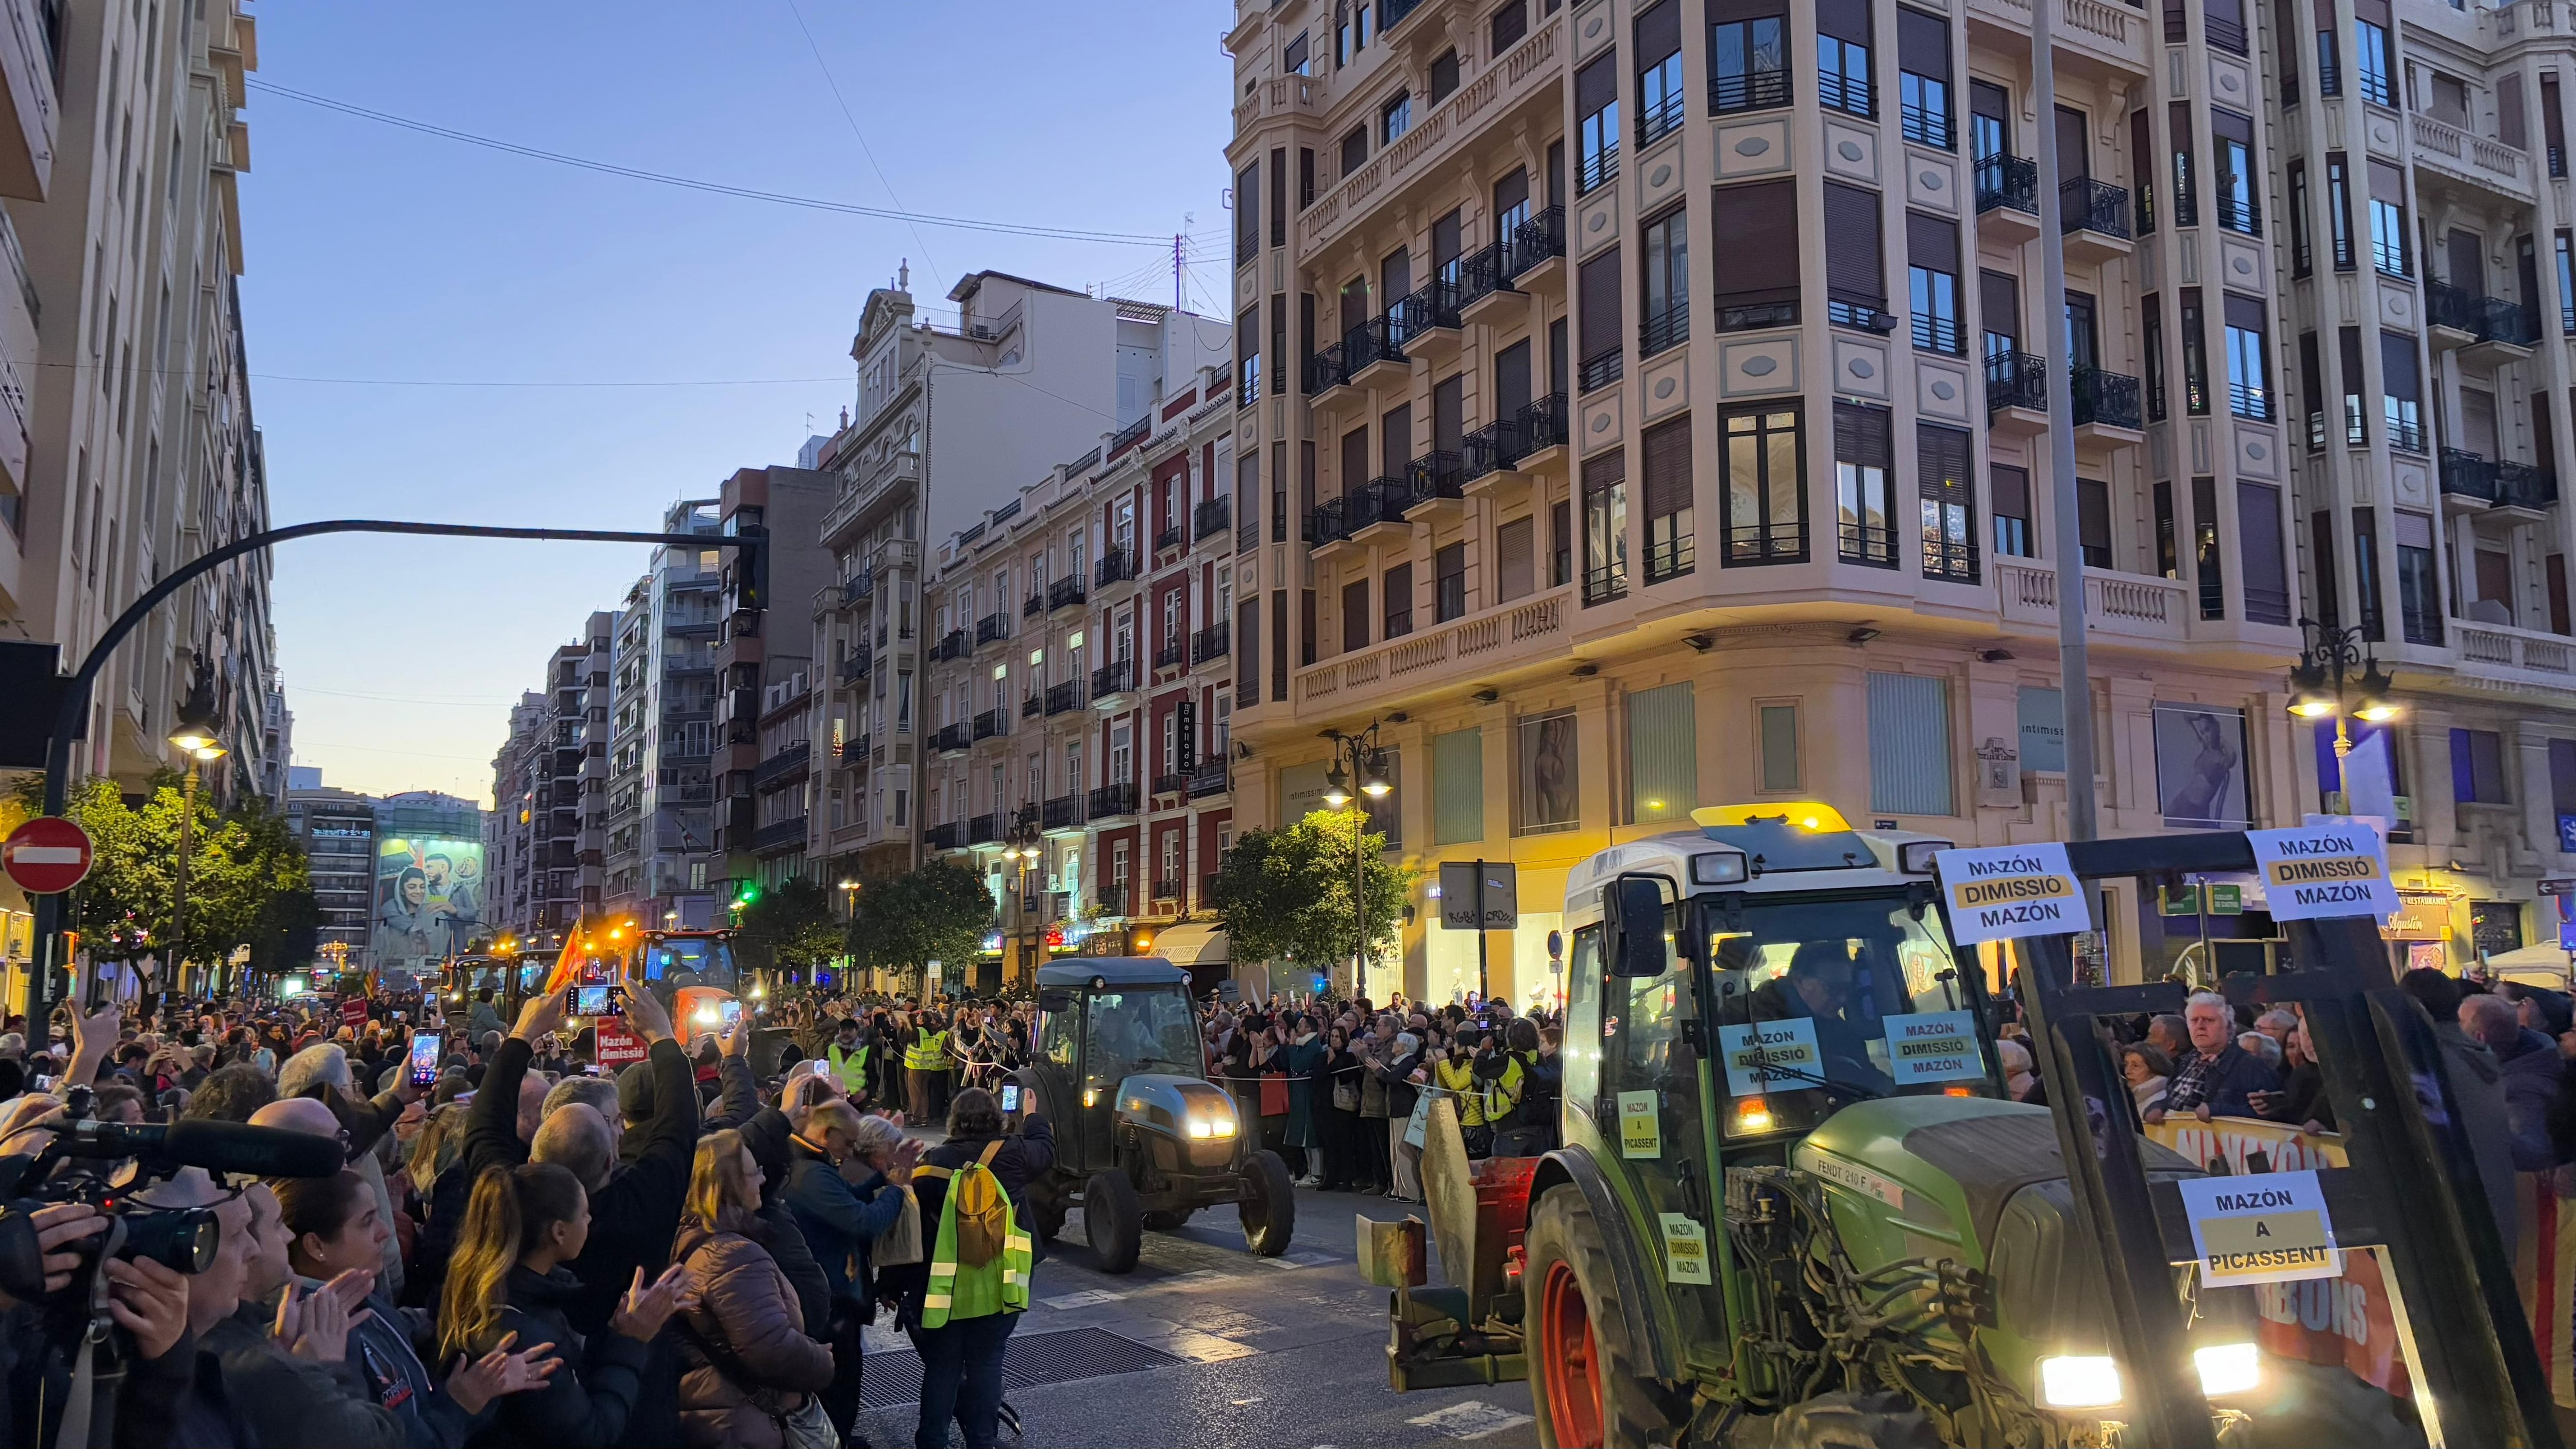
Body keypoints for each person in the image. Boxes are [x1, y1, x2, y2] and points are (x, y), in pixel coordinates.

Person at [273, 1167, 557, 1447]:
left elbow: (401, 1327)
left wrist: (466, 1318)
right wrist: (461, 1403)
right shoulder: (318, 1338)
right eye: (367, 1221)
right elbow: (381, 1440)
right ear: (316, 1245)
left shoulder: (348, 1299)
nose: (384, 1232)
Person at [436, 1162, 691, 1449]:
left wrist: (621, 1328)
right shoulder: (526, 1340)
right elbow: (593, 1435)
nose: (591, 1219)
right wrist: (632, 1340)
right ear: (559, 1232)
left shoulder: (490, 1291)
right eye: (584, 1213)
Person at [905, 1088, 1054, 1449]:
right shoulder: (1015, 1155)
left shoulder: (931, 1165)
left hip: (946, 1288)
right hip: (999, 1286)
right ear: (996, 1119)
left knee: (943, 1366)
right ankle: (983, 1441)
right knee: (988, 1362)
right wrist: (1033, 1114)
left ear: (954, 1121)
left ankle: (931, 1439)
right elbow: (1045, 1151)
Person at [672, 1129, 837, 1449]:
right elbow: (770, 1349)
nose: (763, 1179)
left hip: (720, 1413)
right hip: (747, 1422)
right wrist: (821, 1360)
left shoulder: (688, 1237)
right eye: (754, 1172)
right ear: (728, 1185)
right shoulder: (733, 1255)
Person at [783, 1101, 920, 1443]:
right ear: (828, 1134)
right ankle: (837, 1439)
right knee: (839, 1384)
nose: (849, 1152)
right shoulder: (812, 1174)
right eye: (847, 1143)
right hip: (831, 1297)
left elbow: (849, 1198)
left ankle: (841, 1436)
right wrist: (895, 1188)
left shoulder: (818, 1166)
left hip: (833, 1292)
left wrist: (884, 1175)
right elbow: (863, 1221)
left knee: (845, 1381)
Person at [2461, 991, 2565, 1171]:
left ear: (2479, 1039)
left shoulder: (2521, 1089)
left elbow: (2532, 1153)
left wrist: (2468, 1125)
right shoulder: (2535, 1050)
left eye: (2460, 1022)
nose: (2455, 1029)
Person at [2146, 992, 2278, 1123]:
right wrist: (2158, 1107)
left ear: (2229, 1026)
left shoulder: (2252, 1067)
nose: (2200, 1026)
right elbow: (2173, 1099)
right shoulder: (2186, 1061)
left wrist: (2216, 1111)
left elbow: (2271, 1117)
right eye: (2194, 1020)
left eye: (2209, 1020)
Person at [2121, 1044, 2173, 1115]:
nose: (2128, 1071)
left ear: (2154, 1069)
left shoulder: (2161, 1101)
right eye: (2126, 1065)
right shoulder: (2130, 1098)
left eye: (2136, 1066)